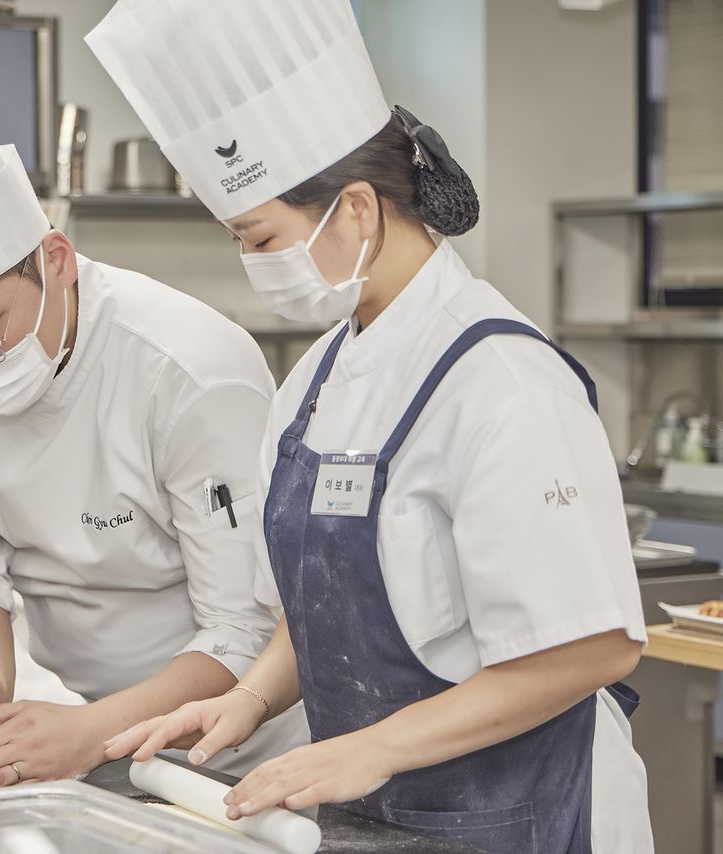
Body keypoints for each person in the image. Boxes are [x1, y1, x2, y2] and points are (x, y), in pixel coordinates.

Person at [89, 2, 652, 851]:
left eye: (260, 237)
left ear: (355, 208)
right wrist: (246, 700)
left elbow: (591, 648)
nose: (252, 263)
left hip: (519, 812)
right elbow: (319, 608)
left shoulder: (501, 382)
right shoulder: (316, 376)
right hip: (377, 817)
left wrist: (375, 749)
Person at [0, 55, 308, 787]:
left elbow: (246, 626)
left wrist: (93, 730)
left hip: (241, 747)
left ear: (56, 260)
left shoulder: (185, 368)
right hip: (79, 723)